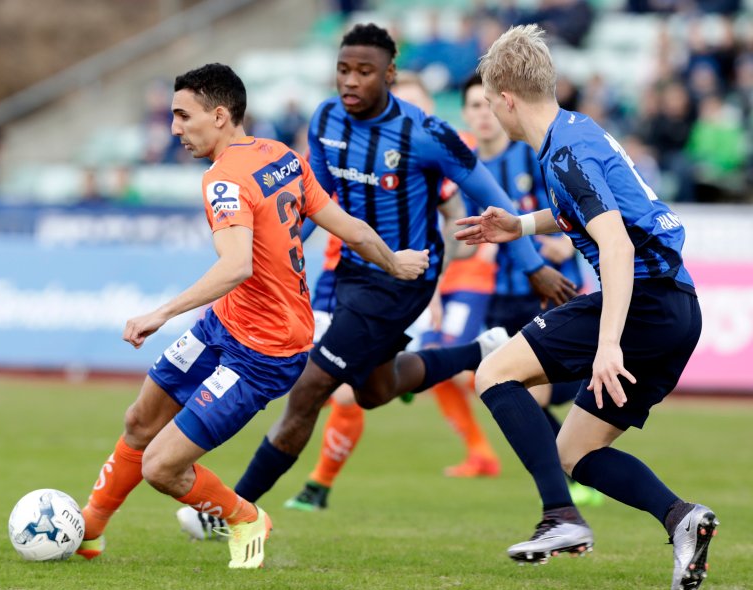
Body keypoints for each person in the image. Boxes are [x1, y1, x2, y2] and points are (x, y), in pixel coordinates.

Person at [74, 62, 430, 568]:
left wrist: (161, 313)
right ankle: (90, 527)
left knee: (161, 467)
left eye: (184, 116)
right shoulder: (280, 156)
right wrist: (394, 262)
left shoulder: (222, 179)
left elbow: (236, 265)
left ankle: (245, 516)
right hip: (224, 324)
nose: (174, 128)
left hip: (266, 351)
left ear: (220, 116)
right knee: (140, 420)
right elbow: (348, 226)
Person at [231, 23, 578, 507]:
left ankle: (233, 508)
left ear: (389, 73)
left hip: (403, 278)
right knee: (375, 390)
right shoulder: (326, 118)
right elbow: (314, 199)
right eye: (343, 70)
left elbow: (490, 193)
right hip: (350, 271)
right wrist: (273, 256)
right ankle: (478, 351)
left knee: (310, 387)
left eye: (364, 71)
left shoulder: (427, 133)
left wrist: (532, 263)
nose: (351, 81)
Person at [456, 25, 718, 590]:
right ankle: (682, 519)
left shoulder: (565, 154)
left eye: (489, 102)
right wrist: (520, 225)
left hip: (643, 301)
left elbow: (617, 245)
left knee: (494, 373)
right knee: (575, 452)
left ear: (506, 100)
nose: (490, 113)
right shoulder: (576, 131)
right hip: (677, 308)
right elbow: (590, 211)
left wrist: (607, 345)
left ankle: (560, 517)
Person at [459, 73, 603, 506]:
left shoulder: (531, 155)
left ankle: (569, 481)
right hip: (499, 297)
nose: (483, 114)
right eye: (474, 106)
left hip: (549, 293)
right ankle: (572, 476)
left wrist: (562, 243)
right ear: (465, 114)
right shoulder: (467, 169)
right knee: (509, 387)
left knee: (529, 388)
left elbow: (572, 207)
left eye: (487, 104)